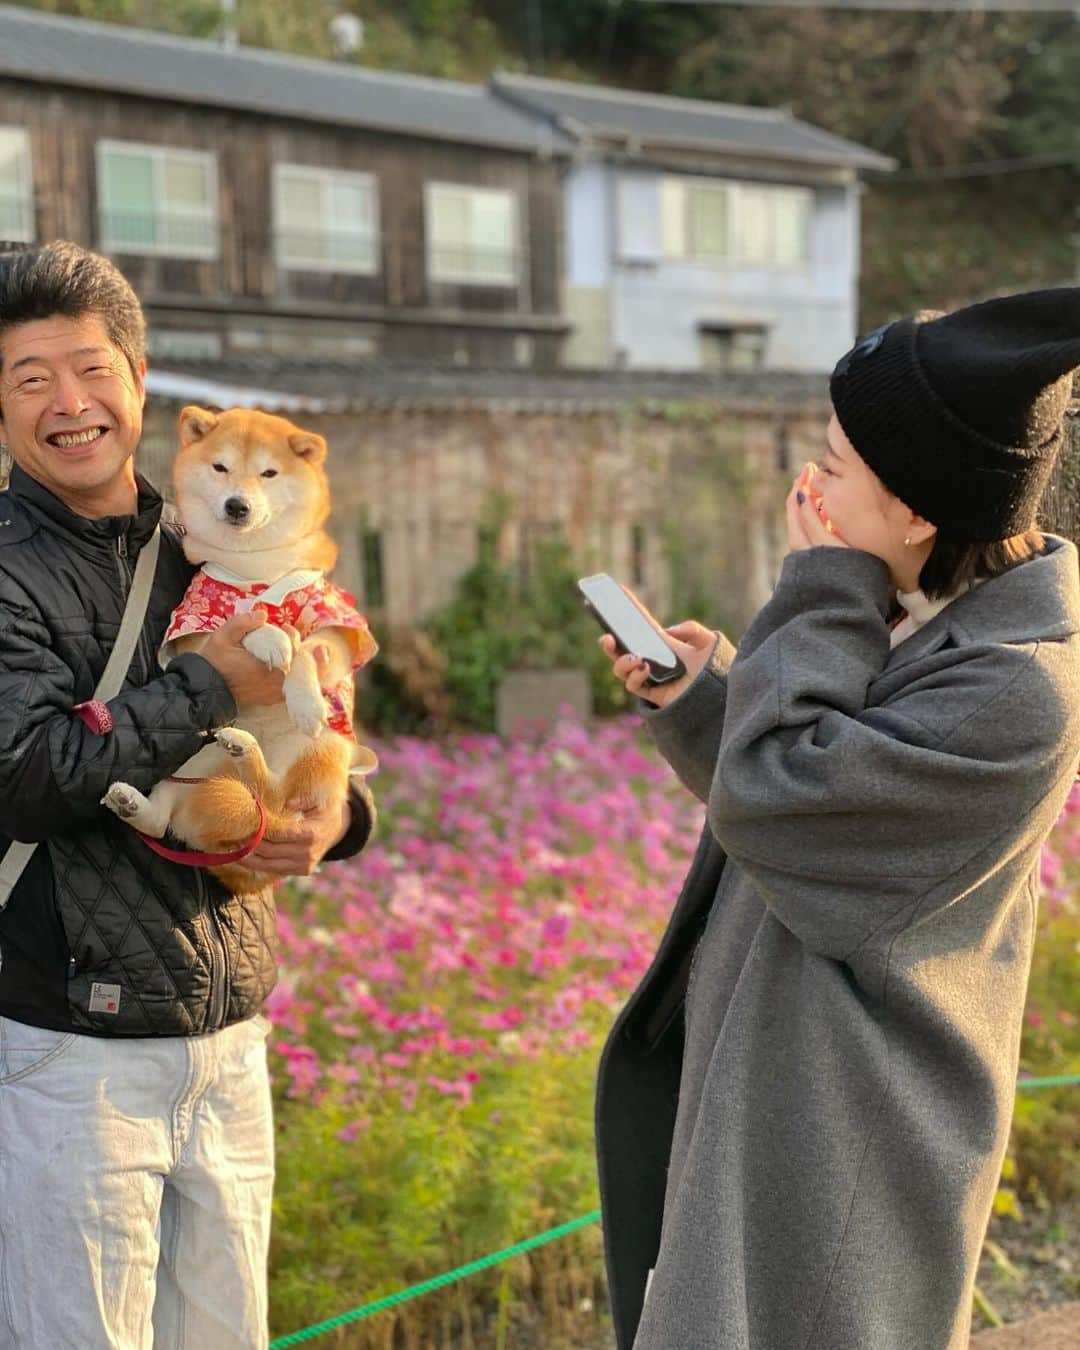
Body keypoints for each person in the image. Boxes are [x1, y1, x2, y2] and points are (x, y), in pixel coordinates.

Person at [594, 288, 1080, 1349]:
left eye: (837, 464)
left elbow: (785, 802)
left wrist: (820, 585)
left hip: (854, 1136)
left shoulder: (1015, 689)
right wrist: (703, 698)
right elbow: (823, 807)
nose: (808, 487)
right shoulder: (932, 618)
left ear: (917, 512)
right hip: (791, 1093)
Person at [0, 241, 376, 1350]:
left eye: (91, 369)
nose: (70, 404)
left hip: (227, 1039)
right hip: (72, 1053)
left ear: (139, 378)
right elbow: (24, 775)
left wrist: (337, 822)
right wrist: (209, 681)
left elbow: (330, 730)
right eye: (31, 380)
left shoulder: (217, 531)